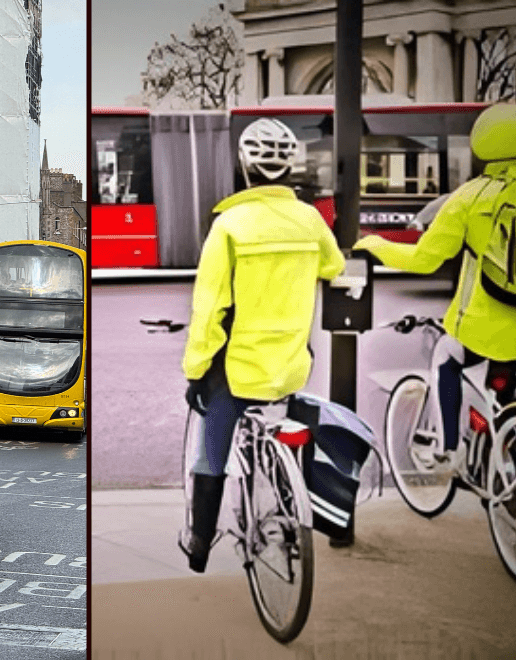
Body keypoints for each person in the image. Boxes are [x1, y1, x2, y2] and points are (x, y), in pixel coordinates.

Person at [354, 104, 516, 503]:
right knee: (505, 392)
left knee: (446, 354)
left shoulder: (469, 199)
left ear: (481, 146)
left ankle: (450, 451)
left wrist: (374, 246)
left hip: (483, 330)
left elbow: (424, 259)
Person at [179, 117, 345, 573]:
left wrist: (195, 371)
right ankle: (293, 510)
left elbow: (208, 310)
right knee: (283, 430)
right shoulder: (310, 219)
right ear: (289, 168)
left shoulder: (230, 224)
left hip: (239, 372)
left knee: (210, 451)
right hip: (291, 368)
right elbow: (334, 267)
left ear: (244, 168)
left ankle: (200, 542)